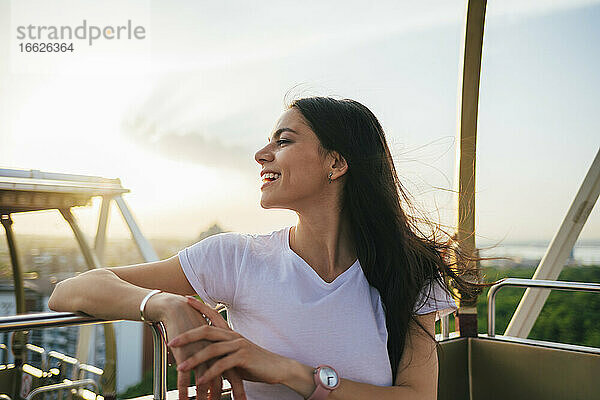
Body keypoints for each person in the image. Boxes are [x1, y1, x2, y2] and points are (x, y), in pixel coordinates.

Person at [49, 96, 485, 400]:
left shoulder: (409, 270)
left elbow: (416, 397)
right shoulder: (235, 258)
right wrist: (160, 304)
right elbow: (70, 290)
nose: (261, 154)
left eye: (283, 140)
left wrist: (290, 372)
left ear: (336, 162)